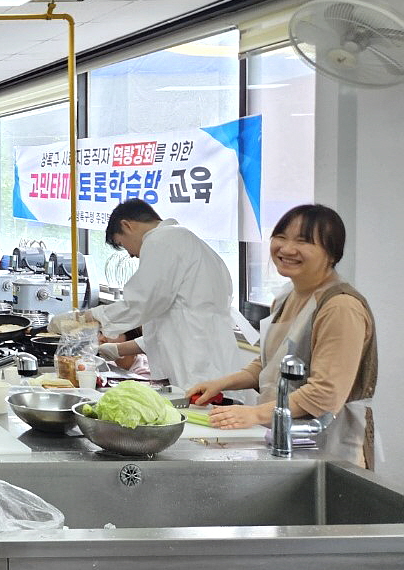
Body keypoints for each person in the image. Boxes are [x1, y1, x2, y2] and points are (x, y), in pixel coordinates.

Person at [188, 205, 378, 468]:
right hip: (284, 442)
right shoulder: (286, 297)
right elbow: (270, 366)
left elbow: (324, 394)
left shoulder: (340, 307)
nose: (287, 249)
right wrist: (221, 383)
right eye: (281, 237)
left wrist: (253, 413)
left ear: (332, 254)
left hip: (330, 446)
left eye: (303, 241)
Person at [54, 199, 239, 388]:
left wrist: (86, 317)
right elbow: (170, 324)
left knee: (205, 413)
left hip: (197, 366)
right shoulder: (189, 243)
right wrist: (119, 349)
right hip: (212, 360)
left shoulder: (161, 240)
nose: (131, 254)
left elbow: (140, 304)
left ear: (127, 225)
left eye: (122, 243)